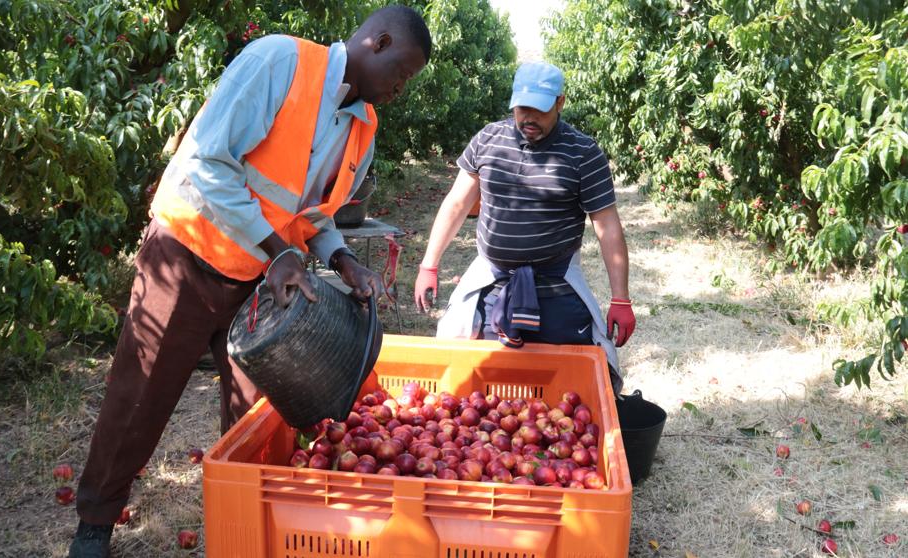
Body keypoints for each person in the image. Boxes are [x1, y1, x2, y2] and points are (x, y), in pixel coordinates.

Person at [69, 6, 431, 556]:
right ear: (377, 42)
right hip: (189, 254)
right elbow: (206, 163)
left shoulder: (364, 130)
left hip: (261, 281)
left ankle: (251, 526)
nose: (401, 90)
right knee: (142, 396)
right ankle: (96, 520)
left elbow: (315, 214)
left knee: (260, 415)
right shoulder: (279, 62)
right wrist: (280, 251)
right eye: (402, 75)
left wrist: (340, 260)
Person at [413, 62, 634, 391]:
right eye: (522, 108)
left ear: (560, 103)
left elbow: (607, 227)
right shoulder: (488, 140)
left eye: (539, 110)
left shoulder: (582, 153)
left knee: (572, 378)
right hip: (494, 281)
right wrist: (429, 264)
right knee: (478, 377)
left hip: (556, 284)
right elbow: (457, 203)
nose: (528, 118)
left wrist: (621, 299)